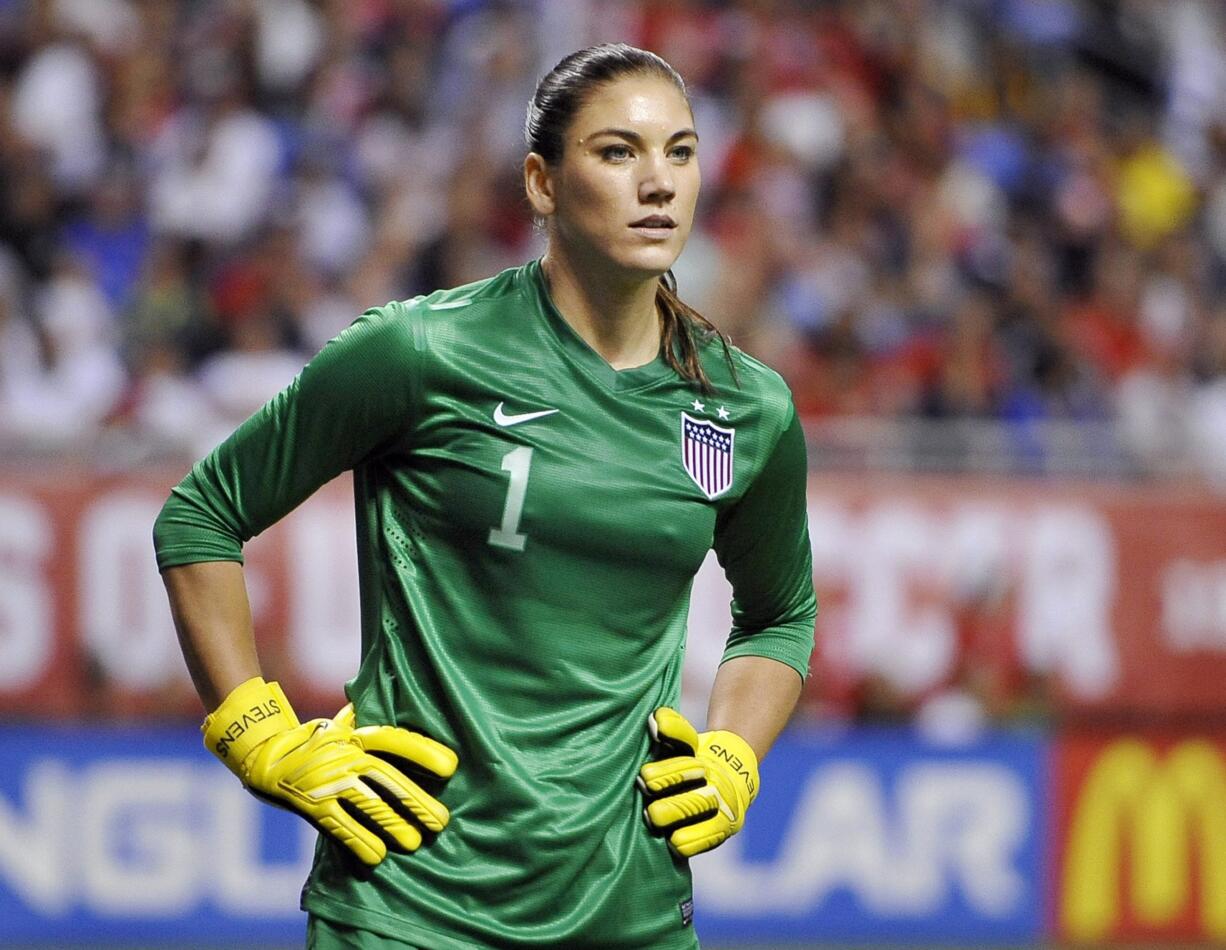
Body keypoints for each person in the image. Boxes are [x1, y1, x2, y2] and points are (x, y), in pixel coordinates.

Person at [153, 43, 816, 949]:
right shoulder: (423, 352)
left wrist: (735, 757)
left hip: (631, 910)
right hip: (409, 902)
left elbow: (780, 613)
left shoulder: (749, 407)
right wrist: (257, 734)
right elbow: (201, 515)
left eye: (682, 152)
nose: (657, 182)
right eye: (618, 152)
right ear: (542, 184)